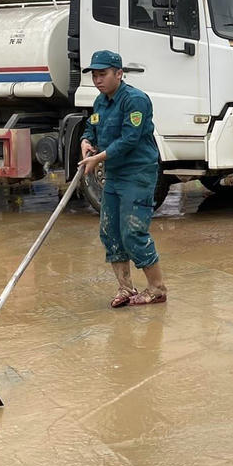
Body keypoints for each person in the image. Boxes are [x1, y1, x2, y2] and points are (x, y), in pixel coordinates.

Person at [79, 49, 168, 307]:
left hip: (137, 173)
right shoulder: (100, 102)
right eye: (94, 75)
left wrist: (98, 158)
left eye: (103, 74)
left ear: (119, 73)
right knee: (110, 232)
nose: (98, 80)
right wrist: (86, 140)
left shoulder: (135, 100)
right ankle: (126, 288)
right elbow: (92, 125)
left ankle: (157, 289)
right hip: (115, 174)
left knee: (133, 232)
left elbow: (130, 139)